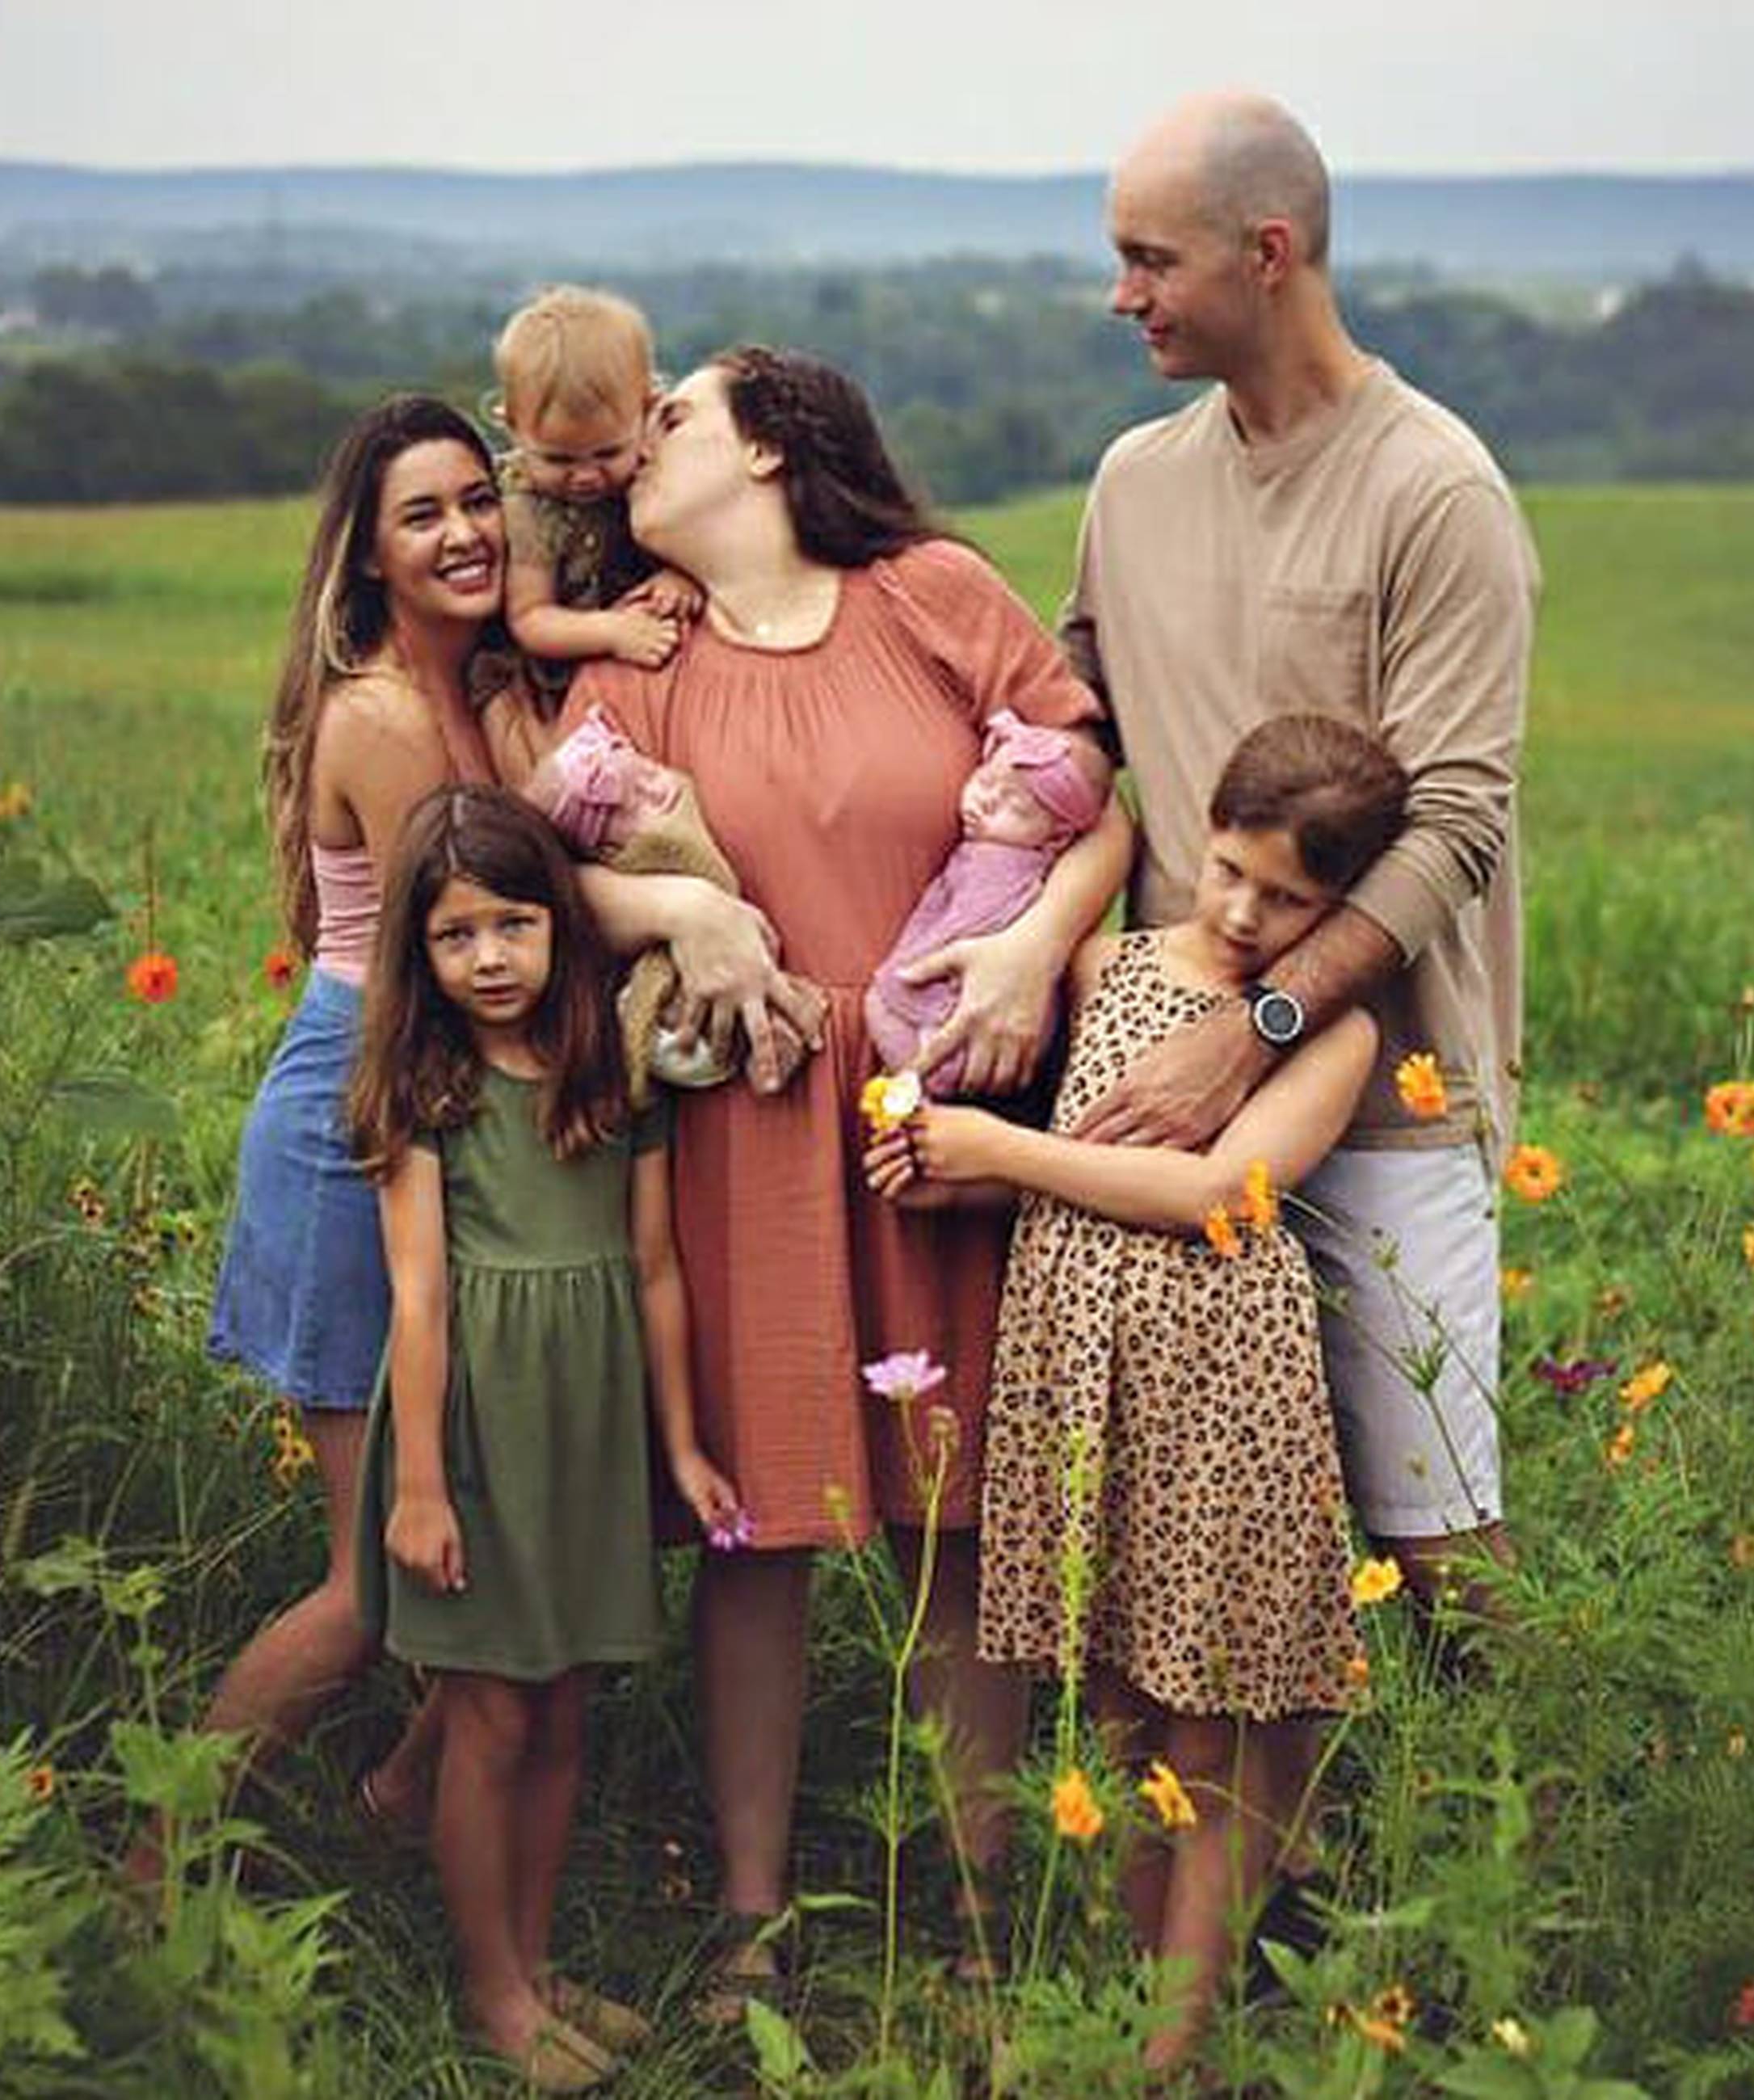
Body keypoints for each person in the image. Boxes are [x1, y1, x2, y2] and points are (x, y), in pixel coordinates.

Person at [561, 345, 1132, 1998]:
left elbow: (1096, 794)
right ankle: (747, 1926)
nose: (639, 439)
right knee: (763, 1526)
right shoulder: (646, 656)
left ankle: (976, 1921)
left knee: (951, 1520)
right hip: (750, 1119)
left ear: (770, 450)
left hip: (942, 1112)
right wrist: (680, 910)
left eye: (675, 412)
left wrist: (1029, 950)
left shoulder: (929, 595)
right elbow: (544, 870)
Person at [865, 713, 1400, 2070]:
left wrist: (1005, 1149)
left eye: (1291, 898)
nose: (1242, 909)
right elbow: (1071, 1153)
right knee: (1111, 1699)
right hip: (1079, 1366)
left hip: (1220, 1386)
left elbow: (1227, 1192)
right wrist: (956, 1163)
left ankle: (1174, 2045)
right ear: (1200, 835)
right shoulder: (1107, 961)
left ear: (1343, 906)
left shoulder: (1328, 1030)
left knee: (1206, 1713)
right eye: (1227, 867)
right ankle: (1122, 1986)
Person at [1062, 91, 1539, 1602]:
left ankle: (1521, 1819)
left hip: (1384, 1088)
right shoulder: (1133, 480)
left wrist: (1256, 1026)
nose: (1121, 294)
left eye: (1151, 260)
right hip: (1162, 1089)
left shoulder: (1435, 490)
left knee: (1435, 1534)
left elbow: (1455, 821)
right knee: (1213, 1533)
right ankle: (1284, 1844)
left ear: (1268, 252)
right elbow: (1074, 727)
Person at [346, 785, 742, 2090]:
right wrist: (419, 1487)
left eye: (516, 923)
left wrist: (678, 1446)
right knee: (495, 1714)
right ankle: (491, 1986)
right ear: (422, 950)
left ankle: (534, 1953)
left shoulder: (607, 1068)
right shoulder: (427, 1084)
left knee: (566, 1704)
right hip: (477, 1431)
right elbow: (420, 1293)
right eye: (459, 935)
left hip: (587, 1422)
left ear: (560, 926)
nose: (493, 958)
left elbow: (660, 1266)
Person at [196, 394, 519, 1847]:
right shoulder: (387, 716)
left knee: (501, 1546)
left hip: (440, 1095)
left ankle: (392, 1805)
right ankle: (160, 1859)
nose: (463, 533)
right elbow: (464, 955)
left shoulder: (485, 682)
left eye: (477, 498)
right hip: (366, 1114)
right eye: (422, 515)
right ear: (370, 556)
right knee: (373, 1581)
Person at [862, 710, 1116, 1084]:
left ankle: (918, 1082)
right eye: (984, 782)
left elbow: (960, 929)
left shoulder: (997, 867)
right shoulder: (1013, 855)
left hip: (959, 1025)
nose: (985, 803)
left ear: (1058, 836)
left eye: (1014, 807)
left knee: (879, 1008)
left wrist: (901, 979)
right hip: (1004, 1026)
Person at [522, 711, 764, 1100]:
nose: (657, 790)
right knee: (664, 1005)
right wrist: (680, 906)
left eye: (650, 772)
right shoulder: (644, 857)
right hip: (687, 976)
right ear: (605, 847)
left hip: (744, 959)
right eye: (636, 801)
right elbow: (547, 887)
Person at [490, 285, 704, 705]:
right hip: (561, 688)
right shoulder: (529, 513)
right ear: (512, 427)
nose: (586, 476)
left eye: (608, 452)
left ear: (648, 410)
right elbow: (531, 618)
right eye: (558, 459)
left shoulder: (660, 474)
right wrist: (612, 631)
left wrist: (681, 575)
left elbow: (705, 541)